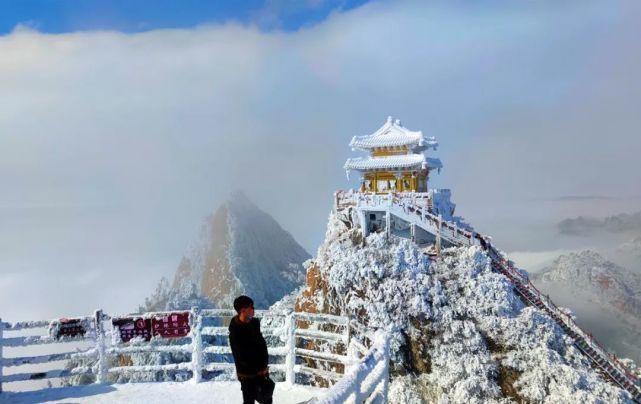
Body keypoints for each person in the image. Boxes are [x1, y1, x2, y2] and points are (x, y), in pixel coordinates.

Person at [229, 295, 274, 404]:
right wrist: (258, 369)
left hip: (261, 370)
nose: (254, 309)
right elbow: (240, 355)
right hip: (246, 374)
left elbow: (262, 345)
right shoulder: (235, 331)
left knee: (267, 397)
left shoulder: (255, 323)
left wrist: (264, 365)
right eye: (251, 307)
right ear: (243, 310)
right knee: (249, 400)